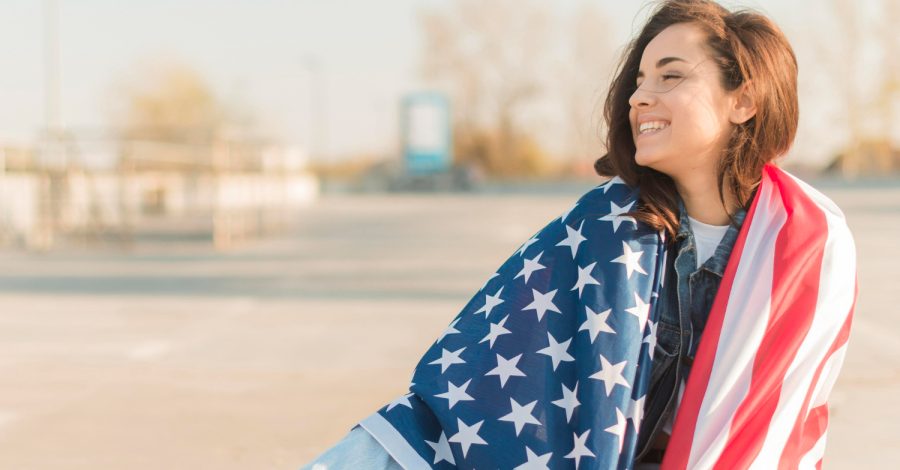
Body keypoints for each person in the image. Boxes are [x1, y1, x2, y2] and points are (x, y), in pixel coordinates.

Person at [302, 0, 857, 468]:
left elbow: (783, 421)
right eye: (639, 80)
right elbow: (475, 388)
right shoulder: (597, 228)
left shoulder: (807, 244)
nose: (640, 97)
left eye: (671, 75)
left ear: (745, 100)